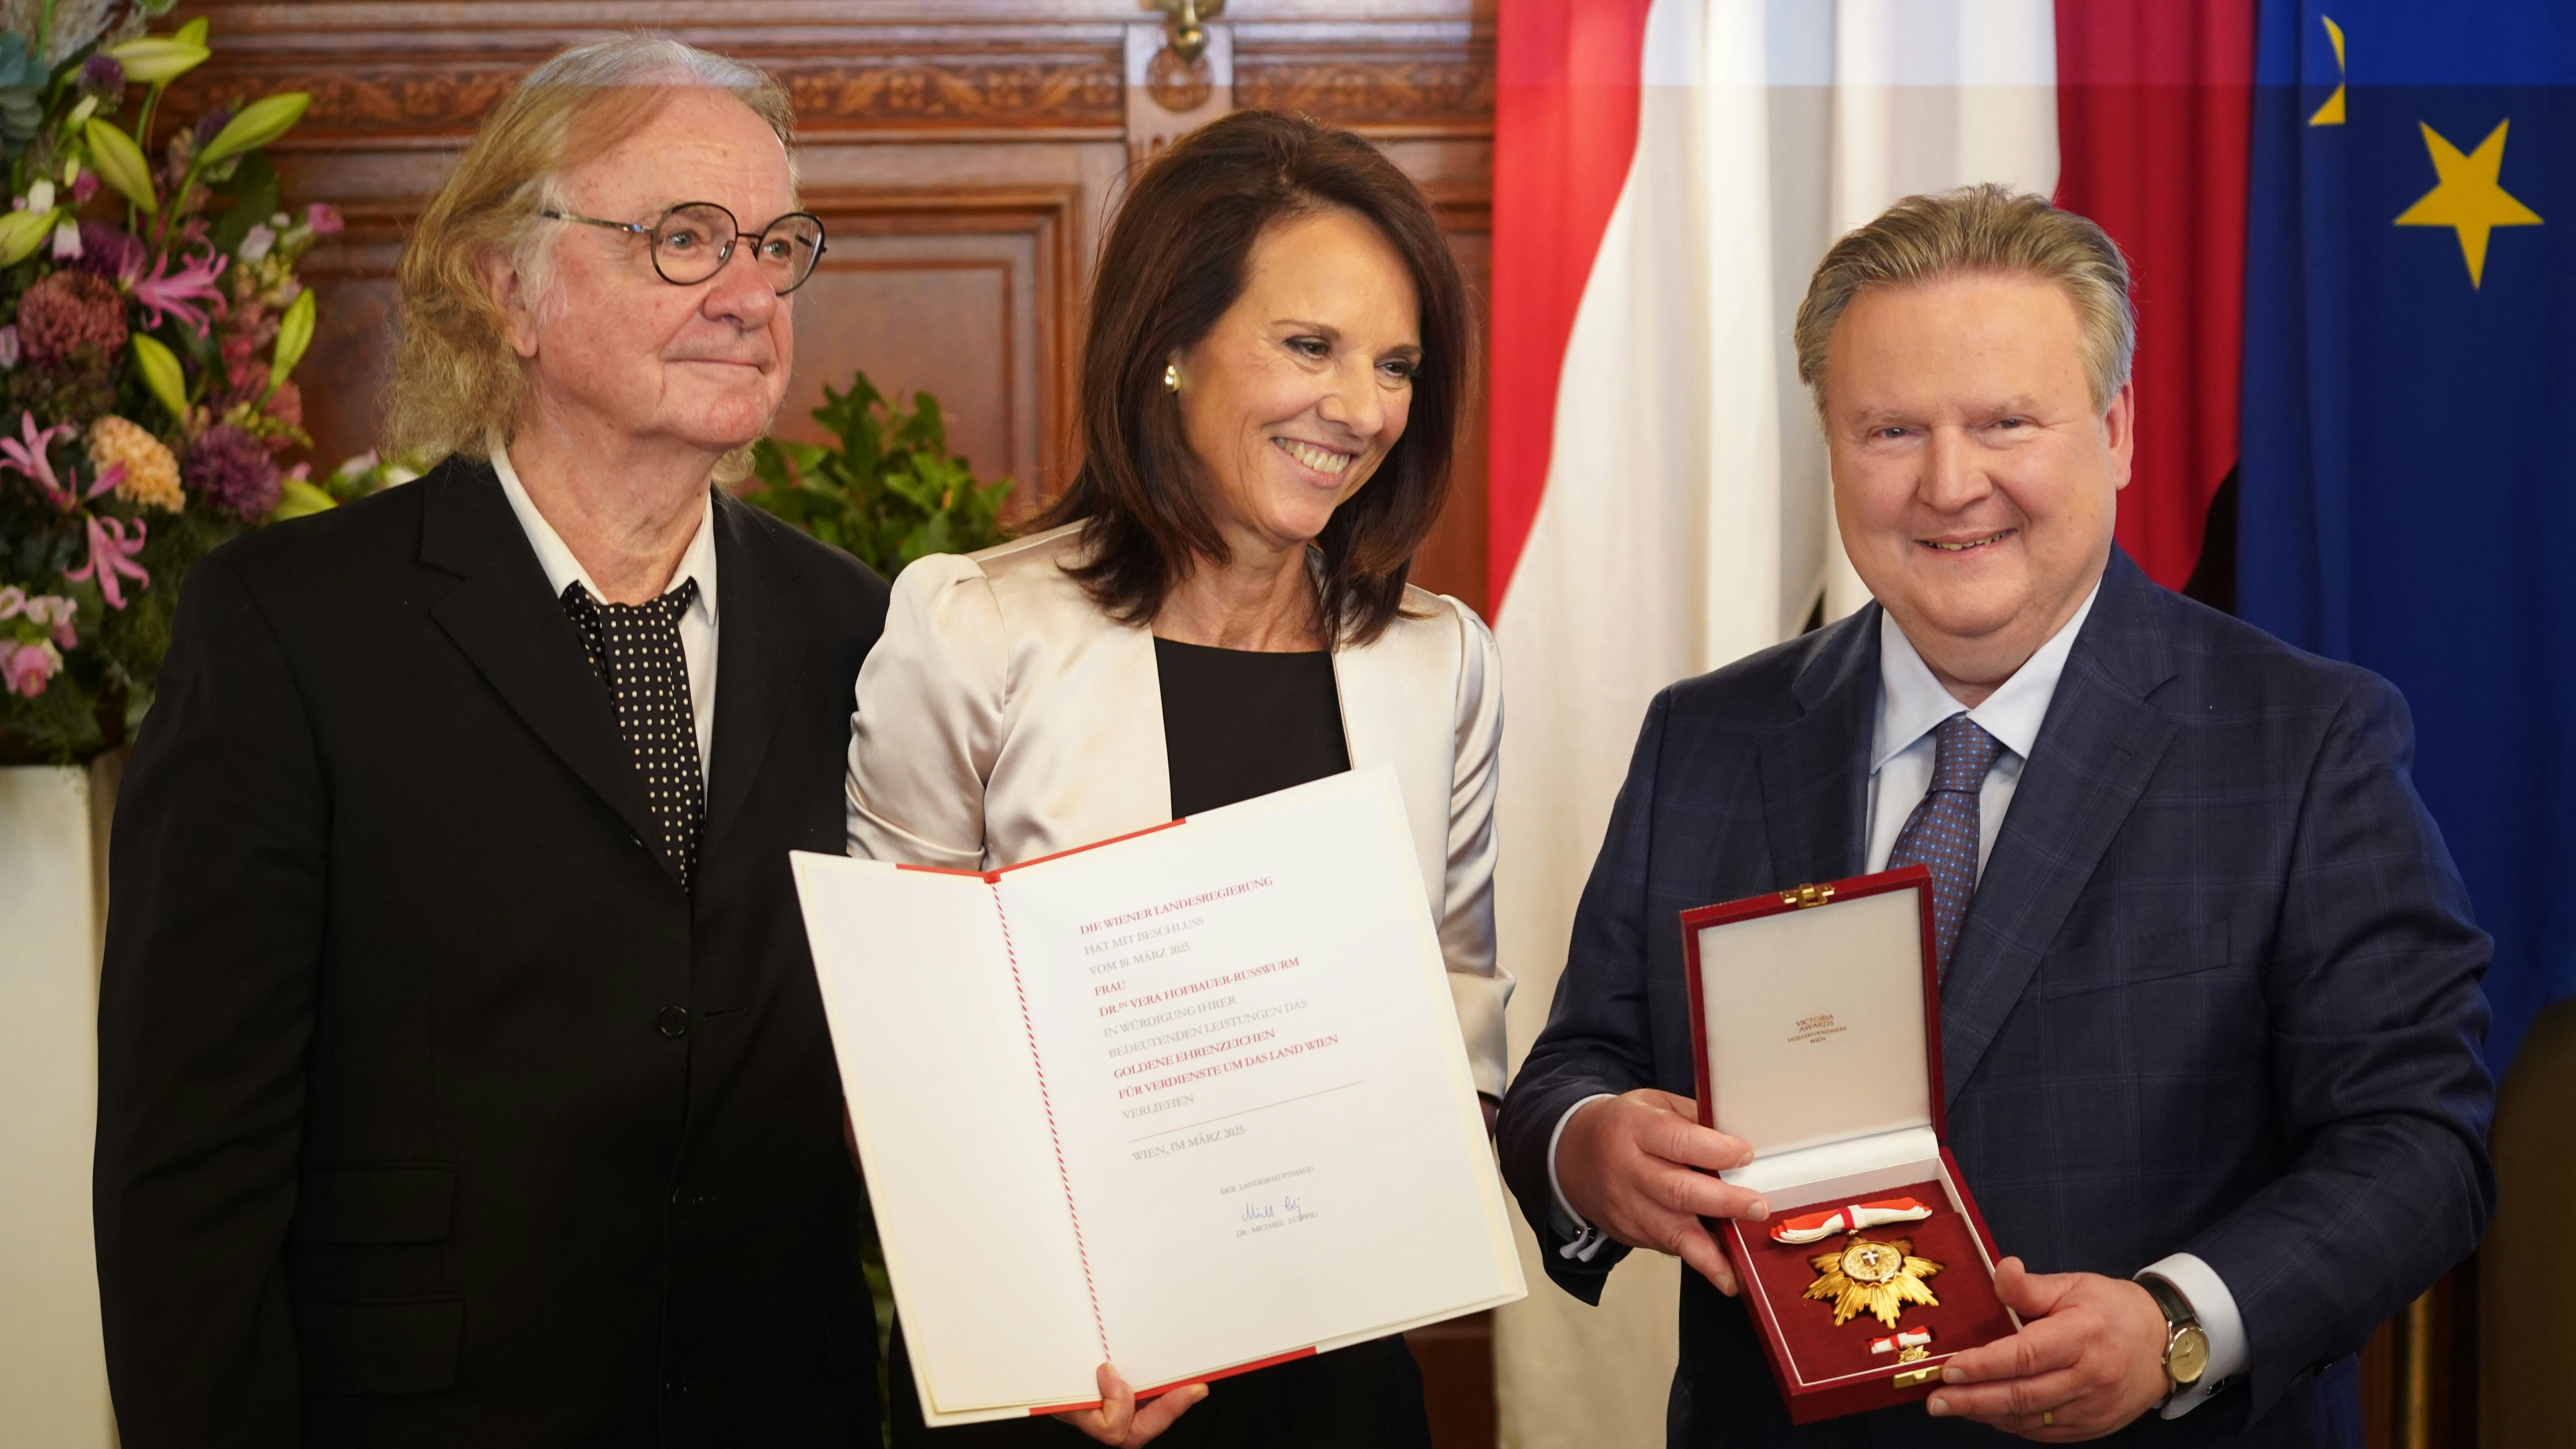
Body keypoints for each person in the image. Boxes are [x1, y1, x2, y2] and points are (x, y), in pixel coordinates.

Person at [1498, 185, 2495, 1446]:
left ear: (2118, 429)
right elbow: (1576, 1065)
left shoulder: (2305, 744)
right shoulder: (1706, 737)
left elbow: (2420, 1143)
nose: (1949, 483)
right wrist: (1588, 1146)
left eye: (2006, 422)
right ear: (1830, 438)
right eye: (1891, 429)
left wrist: (2180, 1323)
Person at [91, 36, 889, 1444]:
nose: (753, 294)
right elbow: (188, 1176)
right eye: (685, 239)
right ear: (504, 285)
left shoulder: (859, 630)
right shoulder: (284, 630)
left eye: (777, 244)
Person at [846, 109, 1505, 1448]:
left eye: (1396, 365)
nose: (1364, 409)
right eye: (1309, 347)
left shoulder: (1442, 662)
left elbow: (1458, 1007)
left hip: (1339, 1371)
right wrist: (1049, 1337)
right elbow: (901, 1060)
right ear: (1169, 347)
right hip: (1052, 1381)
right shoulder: (975, 627)